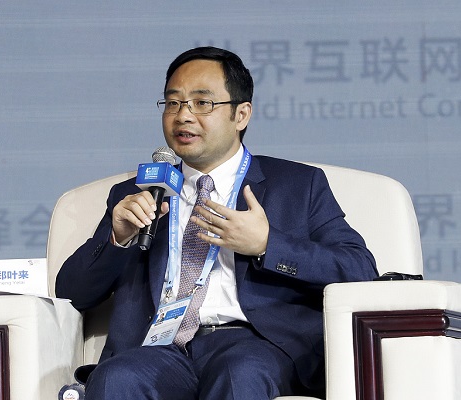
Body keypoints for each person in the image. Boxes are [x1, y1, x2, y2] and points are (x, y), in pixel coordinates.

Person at [56, 46, 378, 399]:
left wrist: (267, 244)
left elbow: (359, 269)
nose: (183, 116)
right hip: (158, 348)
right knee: (117, 378)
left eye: (202, 103)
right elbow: (72, 293)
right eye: (173, 103)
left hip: (252, 344)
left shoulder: (297, 185)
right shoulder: (138, 192)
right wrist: (118, 240)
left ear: (241, 115)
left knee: (240, 374)